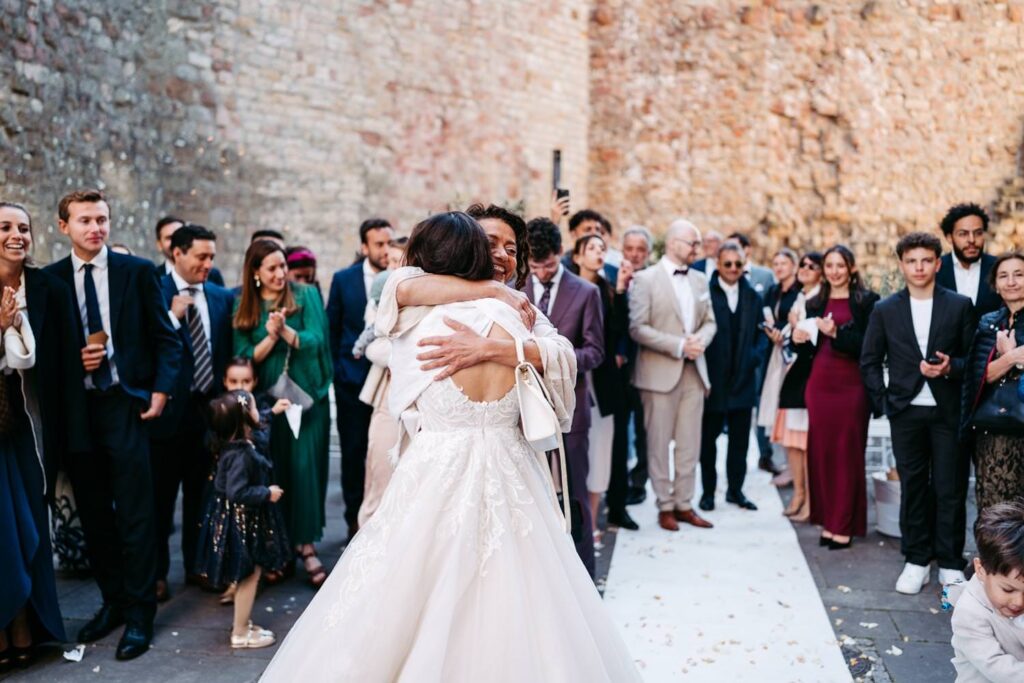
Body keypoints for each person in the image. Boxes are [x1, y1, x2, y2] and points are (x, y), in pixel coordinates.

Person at [261, 211, 640, 682]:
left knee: (402, 594)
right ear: (475, 253)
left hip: (436, 469)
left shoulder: (421, 321)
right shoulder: (517, 317)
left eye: (510, 247)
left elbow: (396, 298)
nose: (503, 256)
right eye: (492, 244)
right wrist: (499, 310)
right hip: (512, 472)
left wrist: (493, 349)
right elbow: (560, 361)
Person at [45, 189, 183, 660]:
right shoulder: (50, 281)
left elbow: (168, 339)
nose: (95, 228)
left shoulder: (138, 272)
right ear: (64, 226)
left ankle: (141, 615)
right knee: (96, 517)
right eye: (84, 220)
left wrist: (161, 391)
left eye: (102, 219)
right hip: (78, 413)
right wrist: (75, 361)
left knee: (137, 516)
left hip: (127, 406)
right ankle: (114, 602)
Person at [860, 232, 975, 594]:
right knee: (912, 486)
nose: (919, 267)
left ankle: (951, 562)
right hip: (905, 411)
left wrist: (949, 369)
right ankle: (916, 559)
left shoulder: (959, 305)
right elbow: (870, 361)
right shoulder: (885, 309)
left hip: (947, 411)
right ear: (902, 265)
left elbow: (973, 360)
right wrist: (884, 404)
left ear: (938, 264)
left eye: (926, 260)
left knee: (950, 487)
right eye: (912, 261)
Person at [0, 202, 85, 668]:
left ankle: (30, 626)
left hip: (29, 430)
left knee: (30, 530)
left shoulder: (48, 288)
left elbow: (57, 366)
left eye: (24, 228)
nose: (17, 235)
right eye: (6, 227)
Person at [233, 240, 333, 588]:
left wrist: (286, 331)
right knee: (274, 474)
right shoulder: (243, 304)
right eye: (271, 268)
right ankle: (279, 548)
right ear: (255, 273)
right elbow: (243, 355)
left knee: (305, 472)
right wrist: (270, 337)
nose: (280, 274)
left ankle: (306, 545)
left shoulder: (305, 296)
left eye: (282, 266)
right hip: (267, 404)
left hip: (306, 401)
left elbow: (318, 340)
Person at [149, 224, 235, 601]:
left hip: (208, 411)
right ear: (177, 253)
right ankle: (156, 574)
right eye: (201, 256)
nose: (208, 264)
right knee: (160, 498)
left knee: (203, 495)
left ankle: (198, 566)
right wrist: (169, 317)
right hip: (168, 412)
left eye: (212, 257)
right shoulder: (153, 290)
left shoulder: (219, 296)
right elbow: (143, 347)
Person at [523, 216, 605, 574]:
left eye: (549, 264)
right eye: (535, 266)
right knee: (529, 493)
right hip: (525, 407)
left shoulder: (587, 292)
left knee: (574, 493)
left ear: (561, 254)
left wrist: (553, 360)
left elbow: (595, 351)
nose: (541, 273)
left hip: (572, 406)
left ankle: (584, 572)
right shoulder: (513, 288)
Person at [629, 219, 717, 532]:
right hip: (658, 375)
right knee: (657, 444)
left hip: (695, 373)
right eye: (692, 243)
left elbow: (710, 322)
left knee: (689, 444)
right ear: (674, 243)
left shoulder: (700, 280)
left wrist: (699, 342)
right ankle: (664, 506)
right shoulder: (645, 279)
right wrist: (679, 346)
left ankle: (684, 503)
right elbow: (637, 328)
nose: (697, 248)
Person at [793, 245, 878, 550]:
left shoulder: (868, 301)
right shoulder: (815, 301)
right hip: (820, 384)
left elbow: (869, 346)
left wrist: (836, 333)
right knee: (822, 453)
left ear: (851, 268)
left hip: (852, 385)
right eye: (829, 265)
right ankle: (828, 521)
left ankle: (844, 524)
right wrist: (798, 338)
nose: (834, 271)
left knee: (847, 454)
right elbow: (808, 349)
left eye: (840, 265)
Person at [194, 390, 289, 649]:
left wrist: (273, 412)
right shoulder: (241, 455)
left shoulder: (237, 441)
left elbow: (259, 425)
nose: (261, 412)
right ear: (245, 420)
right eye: (257, 409)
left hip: (242, 521)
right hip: (241, 523)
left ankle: (244, 623)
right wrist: (266, 493)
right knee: (249, 577)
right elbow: (236, 492)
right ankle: (239, 632)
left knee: (249, 575)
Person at [325, 217, 394, 537]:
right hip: (351, 383)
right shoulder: (344, 279)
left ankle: (382, 518)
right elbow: (333, 328)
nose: (384, 250)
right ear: (364, 247)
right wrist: (339, 372)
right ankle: (354, 521)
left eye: (388, 243)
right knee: (353, 453)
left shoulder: (401, 278)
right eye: (378, 244)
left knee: (381, 453)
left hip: (388, 384)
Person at [698, 241, 768, 512]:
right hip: (713, 381)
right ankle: (707, 492)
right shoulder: (704, 293)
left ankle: (735, 491)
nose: (733, 269)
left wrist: (755, 357)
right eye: (727, 264)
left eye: (738, 264)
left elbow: (762, 331)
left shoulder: (753, 295)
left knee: (739, 442)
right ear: (718, 264)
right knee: (708, 441)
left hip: (744, 379)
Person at [569, 233, 627, 537]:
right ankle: (572, 518)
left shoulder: (608, 290)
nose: (598, 253)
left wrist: (619, 295)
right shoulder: (567, 289)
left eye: (602, 248)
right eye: (591, 248)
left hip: (603, 382)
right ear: (577, 256)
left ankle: (591, 519)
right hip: (574, 376)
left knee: (601, 449)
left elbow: (618, 336)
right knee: (574, 452)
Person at [960, 252, 1024, 513]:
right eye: (1003, 276)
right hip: (993, 431)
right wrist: (1011, 357)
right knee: (994, 509)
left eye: (1019, 274)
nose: (1011, 282)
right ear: (995, 285)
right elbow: (979, 376)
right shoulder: (989, 323)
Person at [768, 252, 823, 519]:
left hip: (809, 376)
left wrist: (795, 325)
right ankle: (799, 494)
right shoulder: (800, 297)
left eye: (812, 266)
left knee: (806, 442)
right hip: (791, 373)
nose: (805, 269)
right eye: (803, 264)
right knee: (792, 441)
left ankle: (811, 500)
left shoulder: (820, 300)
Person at [948, 500, 1024, 682]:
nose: (1019, 602)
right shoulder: (969, 612)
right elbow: (996, 667)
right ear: (980, 570)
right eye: (1008, 589)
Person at [757, 248, 802, 486]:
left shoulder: (799, 291)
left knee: (790, 407)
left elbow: (799, 319)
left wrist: (782, 333)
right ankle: (786, 462)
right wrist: (769, 331)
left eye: (783, 263)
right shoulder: (773, 291)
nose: (778, 267)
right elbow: (764, 317)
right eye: (775, 263)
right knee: (777, 407)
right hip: (775, 353)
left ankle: (795, 468)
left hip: (792, 353)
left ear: (793, 266)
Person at [619, 227, 653, 506]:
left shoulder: (655, 280)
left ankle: (640, 481)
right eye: (630, 248)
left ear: (649, 253)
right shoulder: (608, 276)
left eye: (640, 249)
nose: (634, 254)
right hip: (617, 369)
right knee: (618, 430)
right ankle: (616, 482)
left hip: (647, 364)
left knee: (644, 428)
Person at [936, 203, 1001, 317]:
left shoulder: (998, 268)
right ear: (949, 238)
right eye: (963, 234)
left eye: (978, 233)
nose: (972, 240)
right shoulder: (936, 269)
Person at [153, 215, 225, 287]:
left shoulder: (212, 274)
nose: (175, 241)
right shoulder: (153, 277)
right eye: (169, 238)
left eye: (180, 236)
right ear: (159, 244)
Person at [561, 208, 618, 283]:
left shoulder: (612, 271)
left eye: (598, 229)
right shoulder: (563, 267)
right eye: (588, 229)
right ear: (573, 234)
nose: (595, 233)